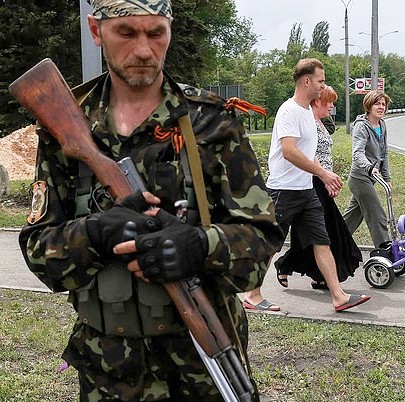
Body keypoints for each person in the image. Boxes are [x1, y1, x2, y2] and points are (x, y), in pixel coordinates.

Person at [18, 1, 283, 401]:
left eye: (155, 33)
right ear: (96, 30)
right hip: (107, 370)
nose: (143, 50)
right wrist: (93, 233)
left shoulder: (211, 122)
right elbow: (40, 252)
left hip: (201, 368)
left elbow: (262, 239)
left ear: (170, 30)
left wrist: (199, 247)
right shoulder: (65, 126)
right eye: (126, 32)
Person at [242, 58, 370, 313]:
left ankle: (338, 296)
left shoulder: (306, 113)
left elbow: (305, 152)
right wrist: (322, 172)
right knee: (271, 244)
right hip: (284, 190)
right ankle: (252, 295)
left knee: (321, 241)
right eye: (321, 81)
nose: (323, 86)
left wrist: (323, 176)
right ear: (307, 81)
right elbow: (289, 151)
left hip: (305, 191)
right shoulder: (289, 111)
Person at [274, 85, 362, 290]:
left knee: (318, 233)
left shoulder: (320, 123)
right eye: (328, 101)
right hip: (312, 182)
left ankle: (316, 274)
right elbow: (306, 154)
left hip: (322, 181)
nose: (332, 106)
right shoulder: (308, 123)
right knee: (321, 231)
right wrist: (324, 178)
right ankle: (289, 266)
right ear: (317, 102)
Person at [343, 90, 392, 249]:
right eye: (377, 103)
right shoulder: (361, 127)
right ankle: (384, 249)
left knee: (352, 217)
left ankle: (331, 243)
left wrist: (387, 177)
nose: (381, 107)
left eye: (383, 104)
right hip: (359, 178)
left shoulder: (382, 125)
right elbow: (357, 153)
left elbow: (384, 153)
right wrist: (369, 167)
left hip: (371, 177)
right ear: (369, 105)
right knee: (377, 215)